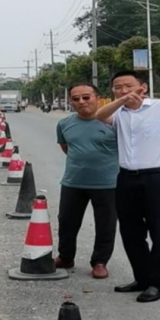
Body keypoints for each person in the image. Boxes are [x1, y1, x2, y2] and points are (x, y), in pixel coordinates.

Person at [96, 70, 160, 303]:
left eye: (128, 86)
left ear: (143, 87)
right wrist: (122, 100)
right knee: (131, 233)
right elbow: (99, 115)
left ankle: (158, 284)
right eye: (117, 87)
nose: (122, 90)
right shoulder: (117, 112)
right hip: (127, 178)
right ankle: (141, 278)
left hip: (158, 178)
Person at [55, 83, 119, 280]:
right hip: (73, 182)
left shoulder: (113, 123)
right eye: (76, 99)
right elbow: (66, 148)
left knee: (105, 224)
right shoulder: (64, 124)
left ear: (97, 98)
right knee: (67, 222)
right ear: (70, 102)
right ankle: (65, 257)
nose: (81, 102)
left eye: (86, 97)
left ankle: (100, 262)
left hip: (108, 183)